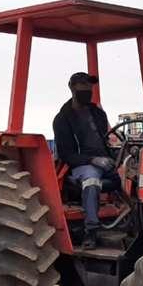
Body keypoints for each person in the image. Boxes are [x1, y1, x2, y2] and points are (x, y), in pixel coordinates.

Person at [52, 72, 119, 249]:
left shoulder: (98, 114)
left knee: (133, 174)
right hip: (82, 163)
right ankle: (91, 231)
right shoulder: (62, 120)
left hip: (105, 160)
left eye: (90, 88)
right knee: (91, 180)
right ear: (72, 88)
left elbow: (106, 139)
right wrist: (93, 159)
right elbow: (67, 154)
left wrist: (112, 157)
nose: (88, 91)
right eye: (83, 87)